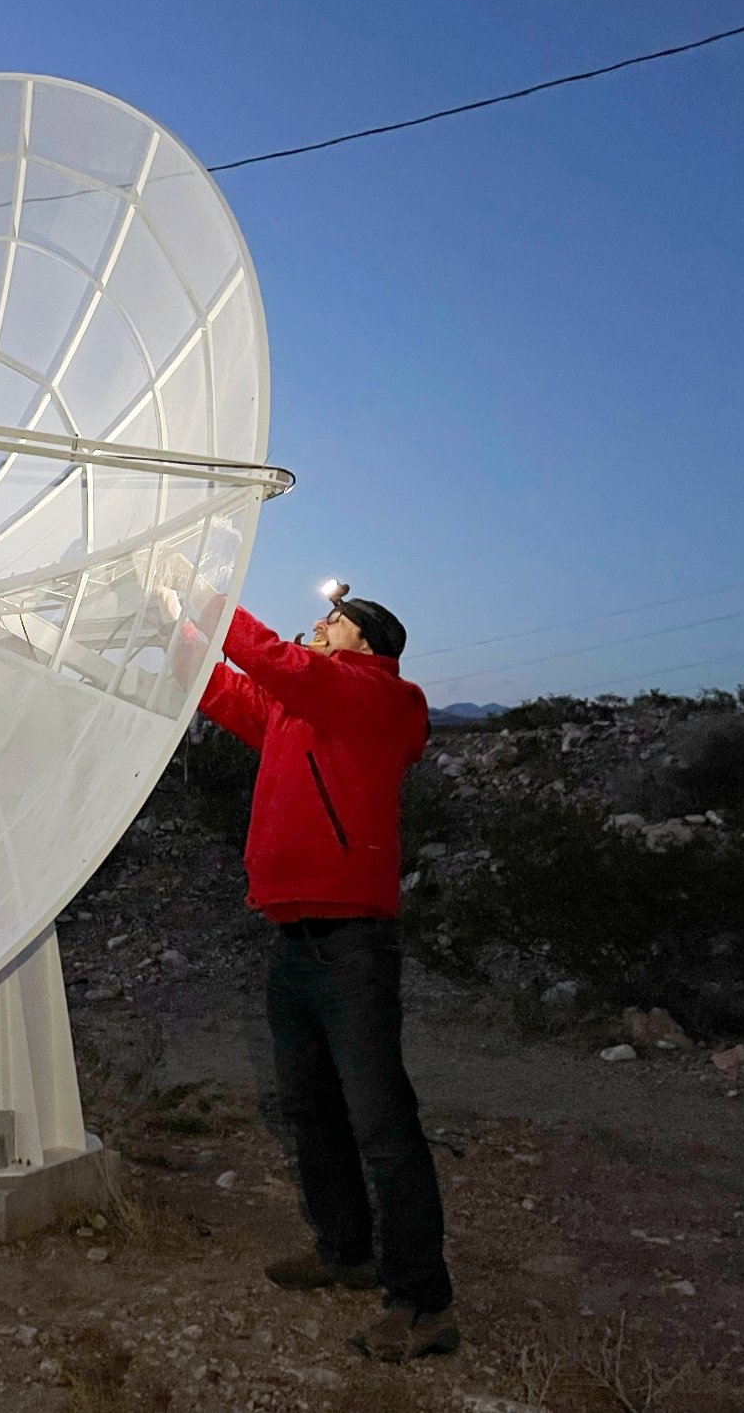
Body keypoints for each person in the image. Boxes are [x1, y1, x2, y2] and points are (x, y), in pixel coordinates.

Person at [157, 560, 457, 1362]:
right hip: (295, 940)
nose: (318, 626)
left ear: (369, 644)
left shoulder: (377, 696)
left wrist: (204, 592)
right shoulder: (305, 711)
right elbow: (224, 688)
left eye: (335, 621)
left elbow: (270, 659)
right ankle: (347, 1253)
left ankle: (423, 1304)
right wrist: (169, 621)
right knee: (311, 1110)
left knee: (381, 1125)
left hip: (354, 943)